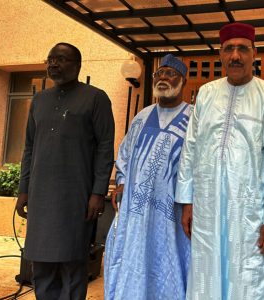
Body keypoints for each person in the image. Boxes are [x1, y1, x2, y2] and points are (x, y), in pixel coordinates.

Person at [176, 22, 264, 299]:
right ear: (221, 54)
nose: (235, 56)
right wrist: (187, 202)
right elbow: (190, 149)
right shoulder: (206, 93)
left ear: (254, 53)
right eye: (229, 49)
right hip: (207, 208)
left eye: (242, 49)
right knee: (207, 274)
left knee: (250, 280)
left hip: (251, 213)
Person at [16, 42, 115, 299]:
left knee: (72, 263)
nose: (53, 64)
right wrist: (24, 189)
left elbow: (105, 148)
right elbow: (28, 148)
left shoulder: (96, 98)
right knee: (41, 262)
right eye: (50, 59)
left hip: (76, 197)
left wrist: (97, 193)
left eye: (60, 59)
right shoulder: (39, 101)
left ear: (77, 65)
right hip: (40, 196)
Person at [104, 54, 191, 300]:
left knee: (169, 260)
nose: (163, 78)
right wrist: (121, 183)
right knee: (134, 257)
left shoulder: (194, 117)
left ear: (183, 81)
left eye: (170, 74)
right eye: (159, 73)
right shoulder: (141, 117)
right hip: (136, 213)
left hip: (173, 213)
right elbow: (125, 154)